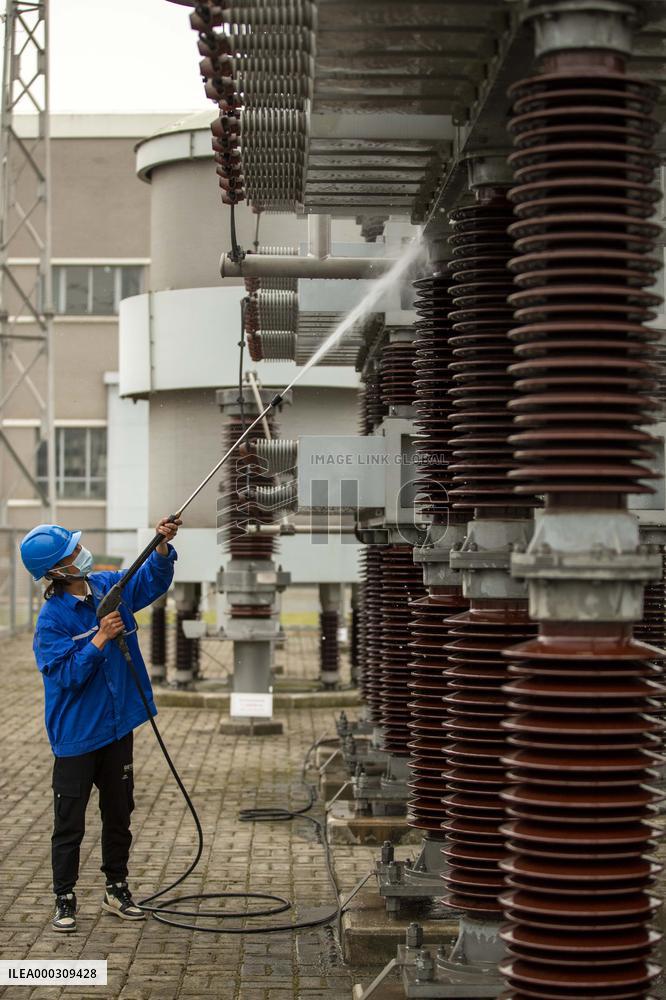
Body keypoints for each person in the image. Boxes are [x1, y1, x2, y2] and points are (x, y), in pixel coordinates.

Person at [19, 517, 181, 933]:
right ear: (57, 571)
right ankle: (64, 897)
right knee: (69, 820)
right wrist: (99, 639)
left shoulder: (109, 585)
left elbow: (150, 582)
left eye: (76, 546)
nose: (81, 554)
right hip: (75, 737)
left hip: (115, 727)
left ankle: (117, 887)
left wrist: (161, 547)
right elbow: (66, 676)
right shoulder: (52, 620)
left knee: (118, 811)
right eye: (72, 553)